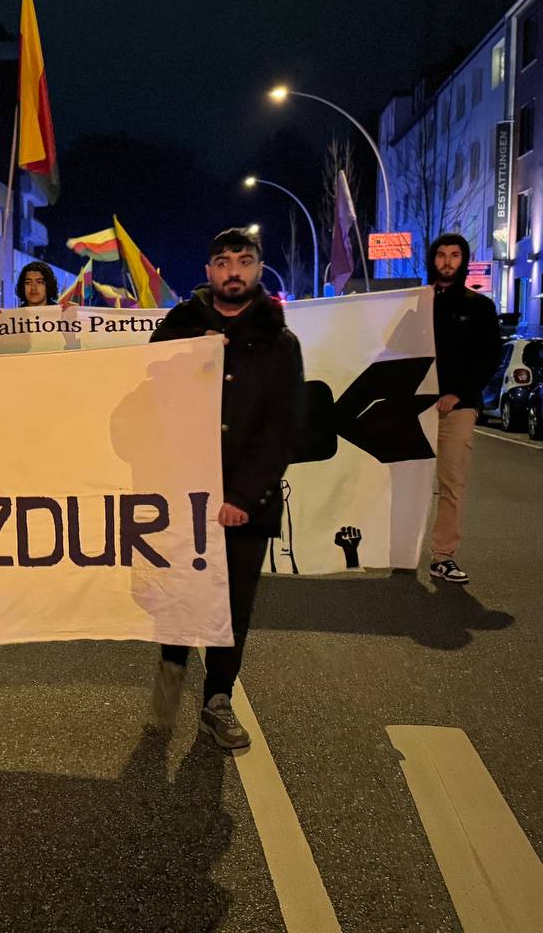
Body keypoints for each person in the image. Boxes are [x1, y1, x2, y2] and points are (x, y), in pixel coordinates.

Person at [147, 228, 303, 750]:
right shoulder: (179, 328)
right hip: (181, 497)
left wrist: (242, 497)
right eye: (222, 261)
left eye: (244, 260)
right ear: (208, 271)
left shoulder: (279, 341)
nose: (233, 270)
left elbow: (284, 426)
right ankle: (171, 673)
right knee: (176, 592)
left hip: (246, 504)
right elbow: (149, 392)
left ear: (259, 268)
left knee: (232, 606)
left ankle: (218, 699)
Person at [426, 233, 502, 585]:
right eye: (441, 255)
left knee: (451, 483)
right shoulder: (417, 303)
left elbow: (489, 357)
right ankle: (398, 550)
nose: (447, 262)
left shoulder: (479, 307)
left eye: (454, 255)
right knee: (403, 482)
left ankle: (443, 556)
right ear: (432, 259)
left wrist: (458, 393)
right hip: (415, 408)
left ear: (464, 260)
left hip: (456, 409)